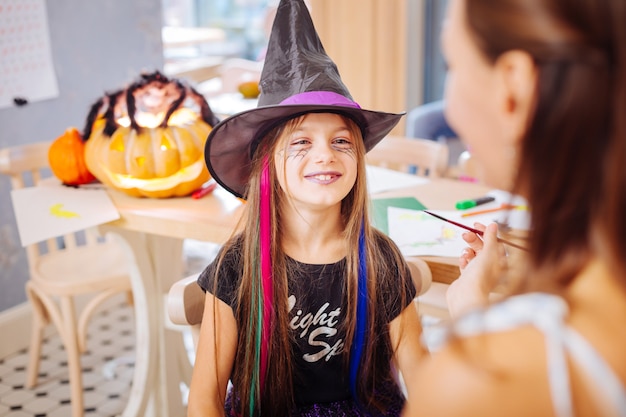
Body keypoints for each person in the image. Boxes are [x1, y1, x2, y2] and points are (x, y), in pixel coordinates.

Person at [187, 0, 425, 416]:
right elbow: (203, 400)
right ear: (267, 163)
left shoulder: (382, 260)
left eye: (341, 141)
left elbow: (427, 387)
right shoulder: (235, 267)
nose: (325, 156)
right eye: (300, 142)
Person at [402, 0, 626, 416]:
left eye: (452, 65)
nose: (449, 107)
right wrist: (473, 306)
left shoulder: (471, 384)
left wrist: (474, 333)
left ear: (514, 88)